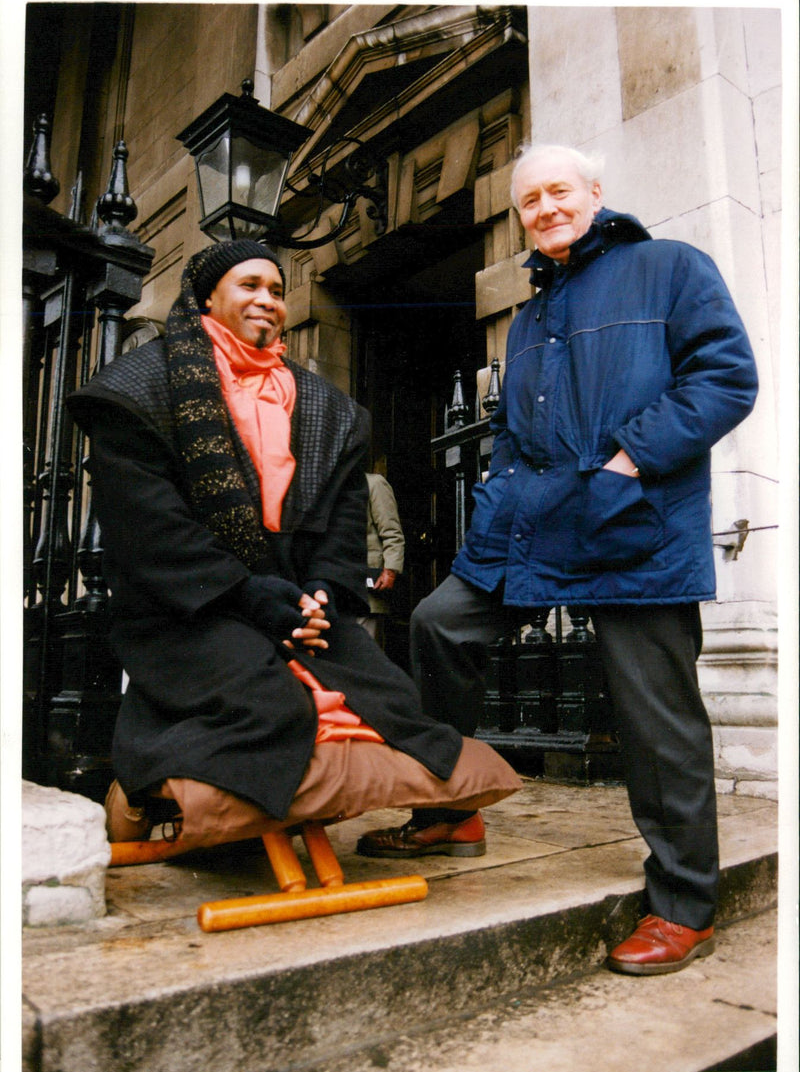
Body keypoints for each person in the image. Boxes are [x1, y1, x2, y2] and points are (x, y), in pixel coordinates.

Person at [357, 145, 758, 975]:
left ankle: (683, 904)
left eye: (558, 191)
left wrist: (629, 461)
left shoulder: (669, 266)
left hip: (632, 518)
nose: (544, 207)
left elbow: (726, 376)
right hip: (536, 520)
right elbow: (511, 429)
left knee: (655, 715)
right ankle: (453, 807)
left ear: (594, 194)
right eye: (529, 199)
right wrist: (501, 491)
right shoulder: (533, 314)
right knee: (439, 625)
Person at [67, 240, 520, 851]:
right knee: (273, 709)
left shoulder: (327, 408)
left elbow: (340, 521)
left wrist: (323, 595)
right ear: (207, 297)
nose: (268, 300)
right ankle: (145, 793)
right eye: (249, 285)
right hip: (192, 605)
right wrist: (248, 596)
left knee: (394, 704)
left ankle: (369, 809)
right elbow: (149, 523)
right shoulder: (141, 386)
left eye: (277, 291)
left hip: (297, 606)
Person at [359, 469, 405, 643]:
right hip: (338, 581)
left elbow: (392, 533)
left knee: (363, 649)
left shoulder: (374, 483)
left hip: (368, 582)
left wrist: (391, 570)